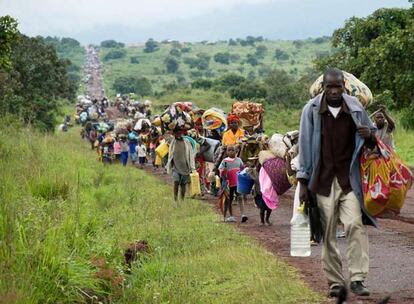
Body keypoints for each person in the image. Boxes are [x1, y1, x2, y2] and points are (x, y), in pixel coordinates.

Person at [297, 68, 377, 298]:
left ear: (344, 86)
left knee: (354, 225)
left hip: (348, 180)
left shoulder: (354, 107)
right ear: (323, 87)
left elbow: (373, 139)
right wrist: (303, 182)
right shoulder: (311, 110)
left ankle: (358, 278)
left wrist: (368, 135)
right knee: (328, 232)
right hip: (322, 180)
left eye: (338, 87)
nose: (334, 91)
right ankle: (334, 282)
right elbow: (304, 144)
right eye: (329, 87)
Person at [219, 145, 248, 223]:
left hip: (237, 183)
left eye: (233, 150)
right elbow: (221, 171)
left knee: (240, 197)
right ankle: (231, 215)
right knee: (229, 200)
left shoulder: (239, 160)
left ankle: (243, 214)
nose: (231, 151)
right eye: (229, 150)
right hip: (228, 184)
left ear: (236, 152)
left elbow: (242, 169)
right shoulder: (224, 161)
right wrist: (223, 171)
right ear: (226, 152)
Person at [167, 131, 195, 203]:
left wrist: (192, 167)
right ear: (174, 134)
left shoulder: (186, 142)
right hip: (175, 167)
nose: (178, 134)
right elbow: (165, 136)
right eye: (176, 133)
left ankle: (182, 200)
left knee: (183, 184)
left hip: (185, 167)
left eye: (179, 133)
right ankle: (175, 200)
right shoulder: (172, 141)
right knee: (176, 182)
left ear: (182, 133)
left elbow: (191, 154)